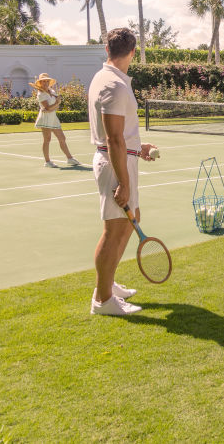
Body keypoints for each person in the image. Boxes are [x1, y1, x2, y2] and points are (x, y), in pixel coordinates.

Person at [87, 27, 158, 316]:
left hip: (122, 158)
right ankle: (103, 300)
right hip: (115, 164)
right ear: (132, 52)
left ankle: (108, 283)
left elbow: (121, 136)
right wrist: (124, 183)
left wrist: (138, 147)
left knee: (132, 219)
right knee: (113, 231)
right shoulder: (113, 85)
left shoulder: (108, 79)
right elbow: (113, 138)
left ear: (108, 50)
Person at [29, 73, 80, 168]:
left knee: (62, 138)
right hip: (45, 118)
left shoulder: (51, 91)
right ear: (40, 82)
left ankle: (70, 158)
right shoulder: (41, 94)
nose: (45, 83)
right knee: (47, 139)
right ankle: (47, 162)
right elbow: (48, 107)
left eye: (47, 81)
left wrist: (54, 106)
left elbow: (54, 106)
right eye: (43, 81)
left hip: (53, 117)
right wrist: (55, 104)